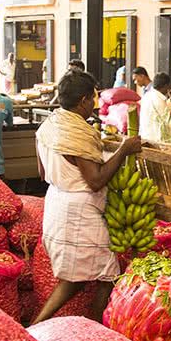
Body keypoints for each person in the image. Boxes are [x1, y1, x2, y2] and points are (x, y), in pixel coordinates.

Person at [33, 72, 142, 323]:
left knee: (78, 278)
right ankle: (95, 326)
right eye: (93, 97)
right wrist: (124, 149)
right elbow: (95, 181)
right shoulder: (76, 133)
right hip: (79, 211)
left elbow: (42, 172)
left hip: (56, 201)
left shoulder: (49, 126)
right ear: (83, 100)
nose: (94, 103)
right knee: (106, 273)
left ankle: (39, 324)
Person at [140, 73, 171, 143]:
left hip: (145, 136)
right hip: (157, 139)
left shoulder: (147, 96)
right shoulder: (160, 99)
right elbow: (167, 121)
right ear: (166, 86)